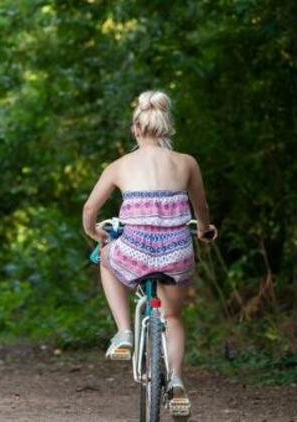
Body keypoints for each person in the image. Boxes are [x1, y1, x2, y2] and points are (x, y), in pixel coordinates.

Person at [82, 90, 216, 409]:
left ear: (135, 129)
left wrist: (95, 232)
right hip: (176, 254)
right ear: (166, 126)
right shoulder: (187, 163)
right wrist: (203, 230)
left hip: (134, 251)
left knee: (104, 258)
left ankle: (124, 332)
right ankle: (178, 380)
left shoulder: (119, 165)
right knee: (173, 315)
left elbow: (90, 209)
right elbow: (202, 209)